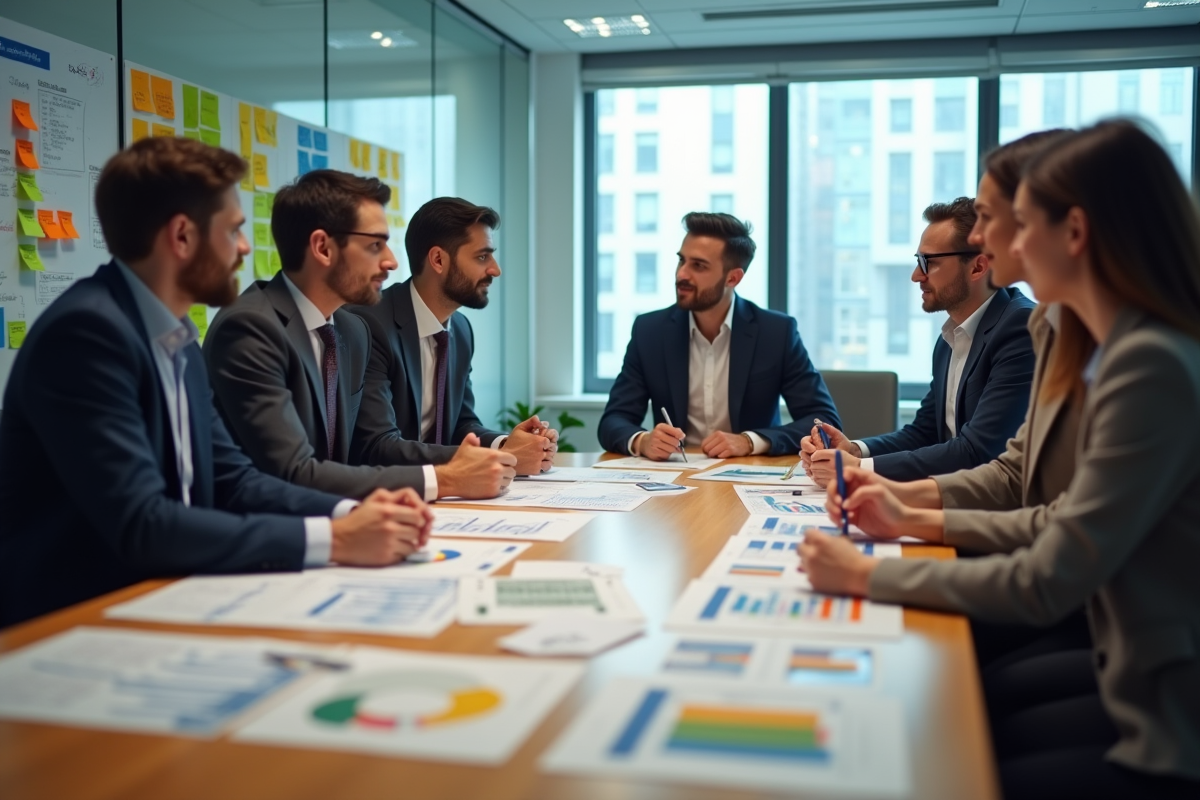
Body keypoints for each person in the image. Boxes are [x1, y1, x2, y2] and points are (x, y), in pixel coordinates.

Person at [801, 120, 1200, 798]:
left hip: (1157, 698)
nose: (988, 238)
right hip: (1115, 646)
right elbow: (1029, 486)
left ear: (1072, 232)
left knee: (936, 749)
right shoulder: (1078, 334)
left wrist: (870, 575)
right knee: (942, 703)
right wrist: (908, 515)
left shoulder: (1147, 364)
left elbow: (1050, 566)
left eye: (1003, 220)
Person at [0, 138, 433, 627]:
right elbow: (144, 523)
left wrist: (347, 512)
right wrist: (335, 540)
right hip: (72, 618)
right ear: (182, 236)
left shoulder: (176, 336)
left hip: (167, 594)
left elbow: (234, 479)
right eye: (234, 230)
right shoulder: (87, 335)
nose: (245, 248)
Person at [203, 171, 515, 501]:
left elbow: (355, 454)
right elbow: (293, 472)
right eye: (375, 245)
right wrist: (445, 479)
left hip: (344, 519)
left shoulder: (351, 331)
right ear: (322, 248)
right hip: (271, 535)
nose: (391, 262)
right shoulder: (251, 329)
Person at [802, 198, 1036, 484]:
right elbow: (924, 433)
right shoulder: (949, 339)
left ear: (977, 267)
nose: (916, 276)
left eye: (928, 262)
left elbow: (979, 451)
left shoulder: (1020, 328)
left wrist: (858, 469)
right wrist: (854, 450)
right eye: (917, 262)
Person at [598, 212, 840, 459]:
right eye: (682, 261)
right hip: (674, 475)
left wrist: (750, 441)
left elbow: (823, 421)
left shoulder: (776, 332)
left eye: (698, 266)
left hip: (749, 472)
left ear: (733, 277)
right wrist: (642, 440)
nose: (682, 274)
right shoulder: (650, 331)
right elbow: (613, 420)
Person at [347, 197, 555, 476]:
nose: (495, 269)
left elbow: (461, 424)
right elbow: (379, 446)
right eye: (482, 256)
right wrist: (500, 457)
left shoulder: (460, 329)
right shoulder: (370, 325)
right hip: (387, 493)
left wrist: (506, 443)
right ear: (438, 260)